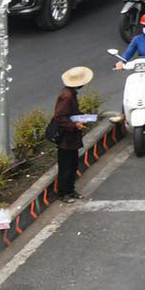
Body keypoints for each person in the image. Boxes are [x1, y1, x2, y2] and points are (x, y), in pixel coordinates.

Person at [53, 66, 94, 200]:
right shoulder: (67, 96)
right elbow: (59, 117)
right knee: (66, 167)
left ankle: (70, 190)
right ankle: (63, 193)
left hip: (71, 138)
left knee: (72, 165)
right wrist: (75, 125)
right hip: (66, 138)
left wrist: (82, 118)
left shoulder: (70, 94)